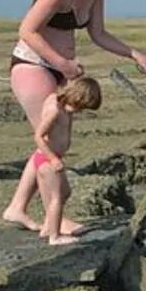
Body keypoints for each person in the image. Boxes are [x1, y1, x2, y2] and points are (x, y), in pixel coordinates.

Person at [2, 0, 146, 233]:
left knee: (55, 141)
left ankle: (17, 207)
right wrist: (62, 63)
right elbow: (27, 30)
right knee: (50, 143)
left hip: (60, 69)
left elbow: (98, 33)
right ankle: (54, 220)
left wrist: (134, 54)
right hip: (32, 65)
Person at [30, 77, 103, 246]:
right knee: (57, 196)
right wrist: (53, 159)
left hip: (51, 158)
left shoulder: (62, 106)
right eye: (80, 107)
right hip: (48, 159)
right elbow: (39, 137)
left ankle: (48, 227)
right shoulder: (55, 110)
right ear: (76, 97)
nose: (78, 111)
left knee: (65, 192)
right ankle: (54, 237)